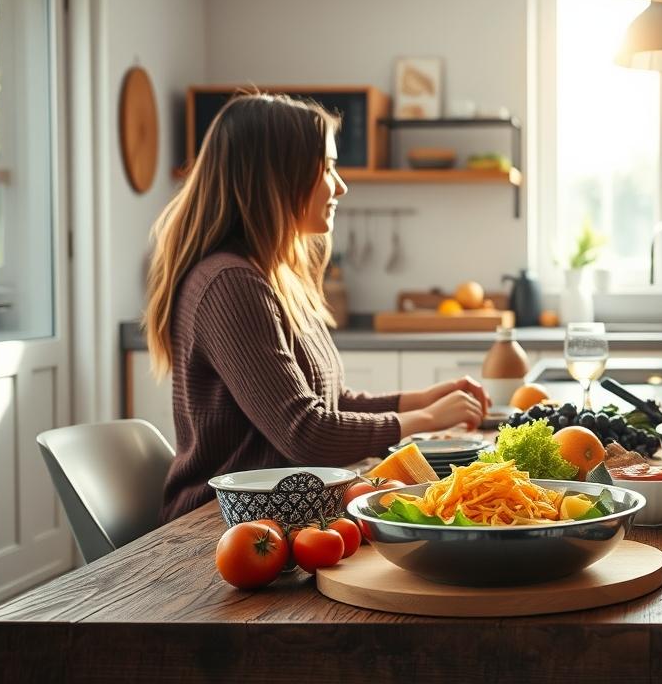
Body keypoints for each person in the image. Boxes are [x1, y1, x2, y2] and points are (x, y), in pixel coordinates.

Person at [147, 94, 489, 522]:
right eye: (327, 167)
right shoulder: (230, 285)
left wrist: (418, 399)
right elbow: (306, 433)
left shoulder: (273, 277)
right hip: (222, 523)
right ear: (277, 177)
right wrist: (425, 418)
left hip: (284, 510)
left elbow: (329, 404)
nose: (341, 186)